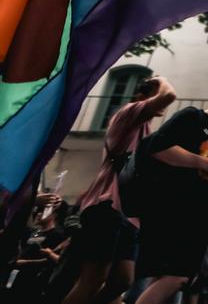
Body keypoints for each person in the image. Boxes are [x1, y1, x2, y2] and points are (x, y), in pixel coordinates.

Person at [134, 75, 208, 304]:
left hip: (203, 214)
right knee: (178, 277)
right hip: (174, 205)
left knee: (168, 278)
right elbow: (158, 149)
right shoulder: (192, 117)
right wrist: (203, 162)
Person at [63, 75, 176, 304]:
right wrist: (161, 80)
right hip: (107, 204)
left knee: (123, 281)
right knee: (92, 279)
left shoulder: (145, 129)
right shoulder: (129, 113)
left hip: (128, 213)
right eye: (152, 95)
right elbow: (169, 96)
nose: (159, 102)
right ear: (140, 97)